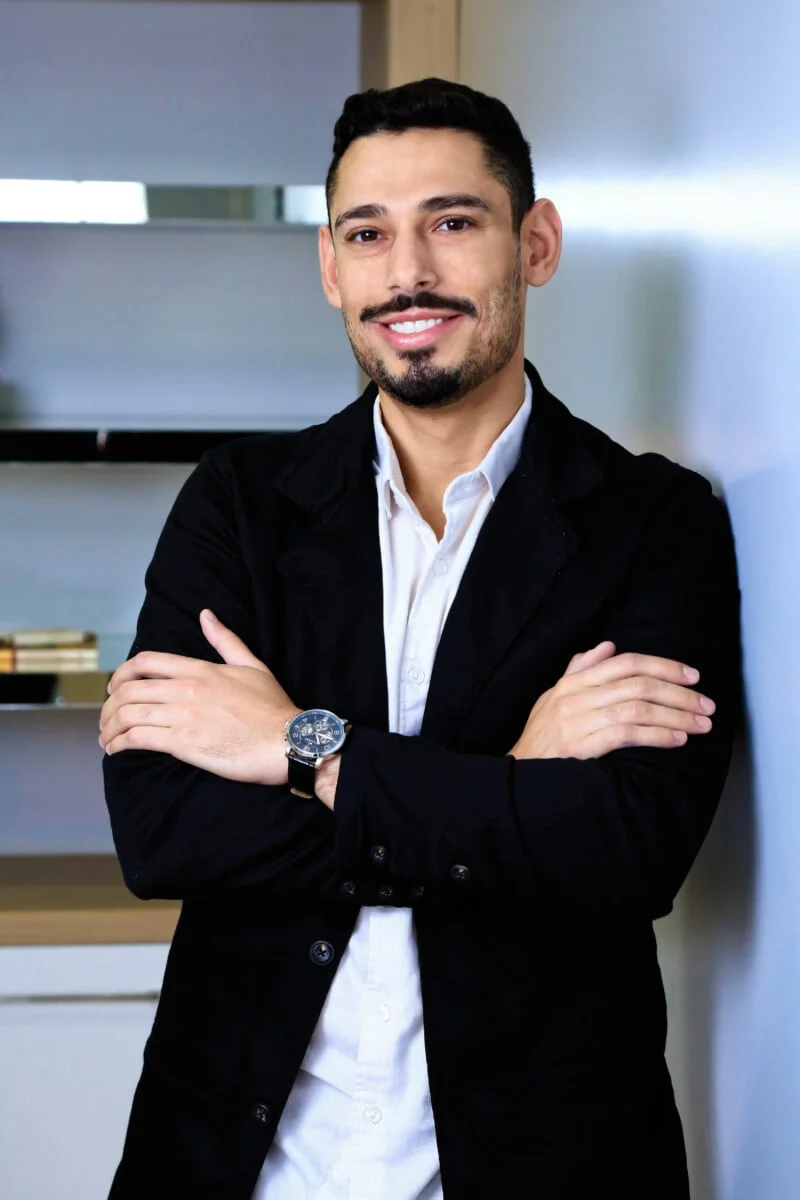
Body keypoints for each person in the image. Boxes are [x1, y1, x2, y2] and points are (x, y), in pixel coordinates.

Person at [100, 78, 741, 1199]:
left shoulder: (654, 519)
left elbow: (627, 850)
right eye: (368, 233)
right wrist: (508, 783)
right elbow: (164, 834)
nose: (407, 273)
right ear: (329, 267)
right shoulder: (239, 504)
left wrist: (302, 751)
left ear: (534, 244)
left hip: (543, 1167)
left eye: (451, 222)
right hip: (241, 1164)